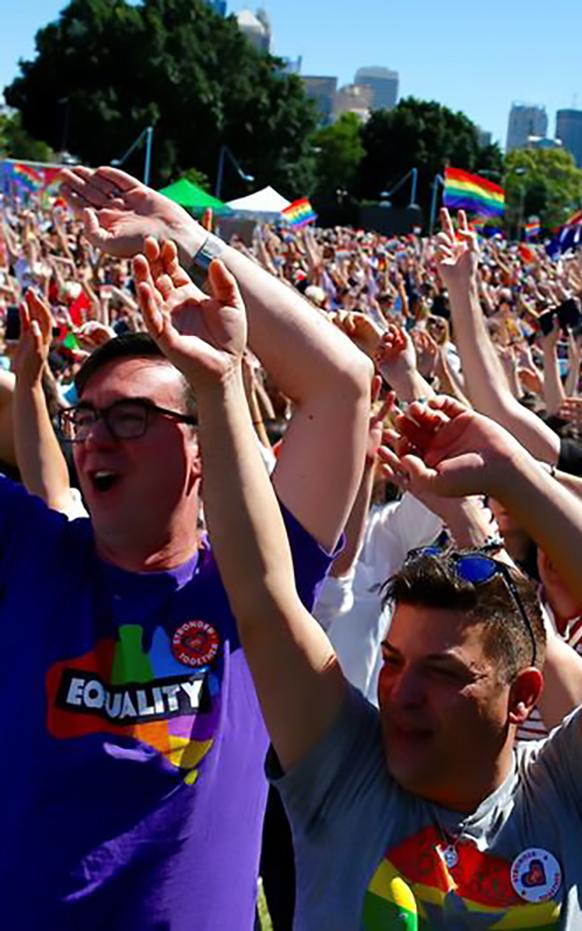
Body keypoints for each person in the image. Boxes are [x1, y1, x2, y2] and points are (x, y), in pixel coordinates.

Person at [129, 239, 582, 927]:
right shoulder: (346, 772)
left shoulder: (574, 795)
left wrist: (515, 473)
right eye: (392, 661)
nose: (400, 692)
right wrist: (219, 392)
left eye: (443, 671)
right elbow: (264, 597)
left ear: (523, 697)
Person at [1, 166, 372, 929]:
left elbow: (344, 386)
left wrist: (195, 242)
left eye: (133, 415)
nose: (98, 433)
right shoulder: (30, 557)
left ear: (204, 449)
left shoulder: (255, 591)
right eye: (88, 416)